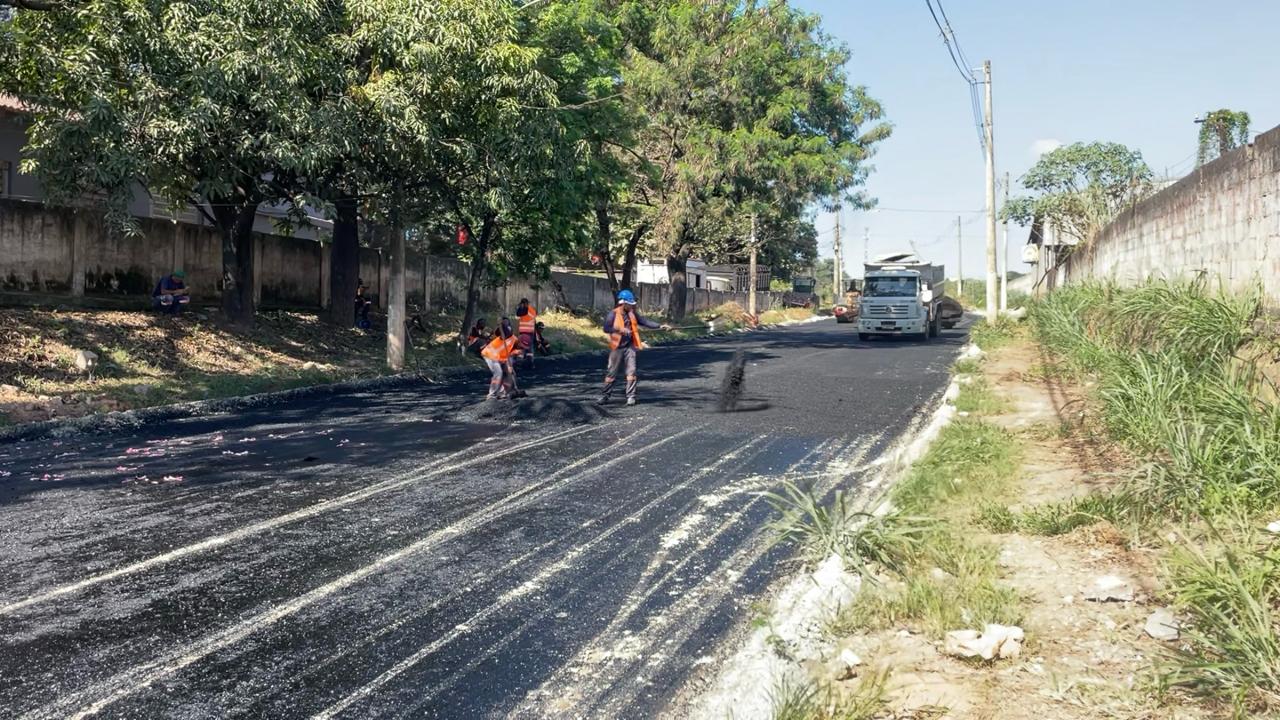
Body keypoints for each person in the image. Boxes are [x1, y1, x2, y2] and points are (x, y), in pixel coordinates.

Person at [598, 289, 670, 407]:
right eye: (629, 304)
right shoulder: (613, 314)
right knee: (611, 373)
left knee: (631, 371)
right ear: (623, 303)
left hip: (630, 347)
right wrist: (620, 330)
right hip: (617, 347)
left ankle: (631, 397)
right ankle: (605, 395)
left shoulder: (632, 313)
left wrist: (660, 326)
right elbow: (606, 328)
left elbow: (644, 322)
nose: (632, 305)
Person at [481, 318, 525, 400]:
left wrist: (510, 367)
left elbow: (511, 360)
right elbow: (500, 331)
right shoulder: (507, 335)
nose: (519, 354)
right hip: (490, 354)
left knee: (510, 373)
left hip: (499, 357)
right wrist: (501, 324)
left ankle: (504, 392)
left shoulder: (515, 347)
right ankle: (492, 394)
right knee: (498, 372)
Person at [515, 298, 538, 369]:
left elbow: (518, 313)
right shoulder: (532, 310)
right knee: (529, 349)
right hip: (530, 332)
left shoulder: (525, 310)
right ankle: (530, 364)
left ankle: (519, 364)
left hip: (524, 332)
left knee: (522, 349)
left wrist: (519, 306)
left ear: (524, 303)